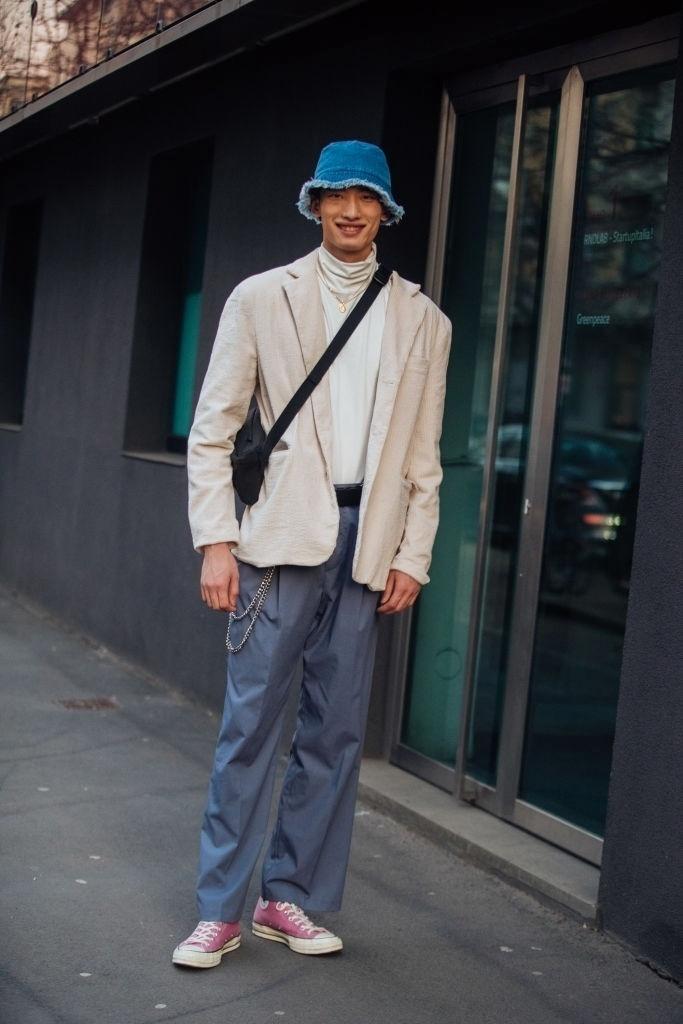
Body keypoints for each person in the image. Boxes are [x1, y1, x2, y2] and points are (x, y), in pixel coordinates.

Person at [172, 140, 452, 968]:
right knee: (249, 727)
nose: (352, 210)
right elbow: (214, 430)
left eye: (367, 197)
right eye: (337, 196)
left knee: (332, 738)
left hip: (367, 546)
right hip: (278, 543)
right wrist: (216, 542)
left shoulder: (422, 319)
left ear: (387, 211)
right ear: (315, 204)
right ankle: (218, 908)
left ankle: (286, 899)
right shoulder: (261, 298)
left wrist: (414, 554)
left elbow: (423, 457)